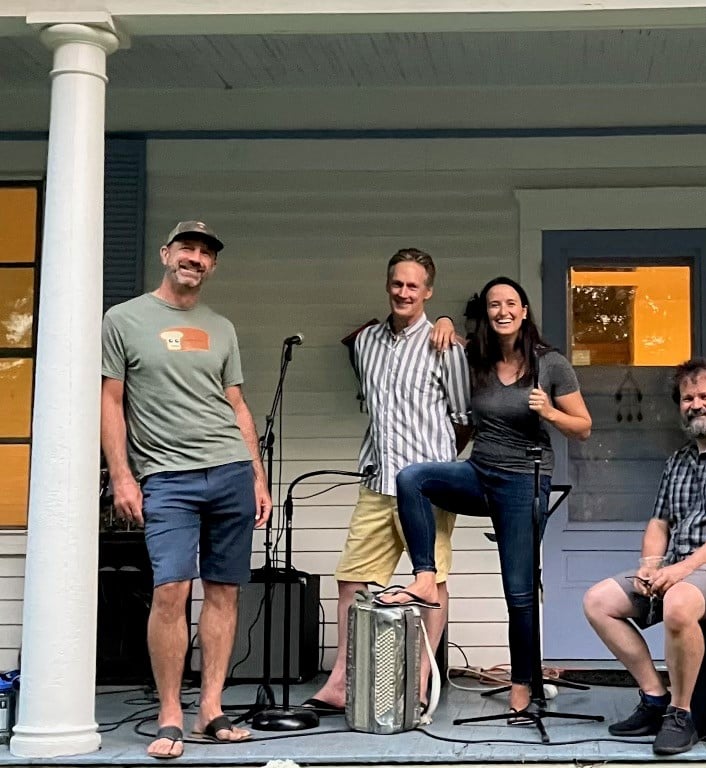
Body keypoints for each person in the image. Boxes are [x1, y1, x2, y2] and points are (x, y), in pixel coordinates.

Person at [378, 276, 593, 718]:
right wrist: (441, 318)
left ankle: (523, 682)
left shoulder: (550, 364)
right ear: (487, 313)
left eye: (511, 303)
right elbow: (445, 336)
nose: (503, 311)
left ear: (524, 311)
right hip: (480, 473)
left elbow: (584, 427)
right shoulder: (476, 356)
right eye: (494, 305)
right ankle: (424, 577)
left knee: (518, 592)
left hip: (524, 481)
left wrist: (550, 412)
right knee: (412, 478)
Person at [101, 221, 273, 759]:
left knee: (224, 590)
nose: (194, 258)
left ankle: (211, 709)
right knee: (170, 589)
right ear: (166, 254)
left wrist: (257, 475)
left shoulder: (221, 327)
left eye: (204, 253)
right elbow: (111, 401)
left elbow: (236, 405)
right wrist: (122, 476)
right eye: (186, 248)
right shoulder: (124, 319)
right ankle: (170, 713)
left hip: (229, 470)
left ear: (212, 265)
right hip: (166, 476)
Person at [303, 248, 470, 716]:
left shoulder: (446, 347)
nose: (404, 292)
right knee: (352, 579)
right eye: (397, 283)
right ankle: (341, 681)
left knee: (431, 581)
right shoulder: (365, 344)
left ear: (428, 292)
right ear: (387, 285)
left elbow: (463, 417)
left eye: (413, 285)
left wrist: (438, 468)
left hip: (428, 489)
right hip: (377, 482)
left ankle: (420, 681)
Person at [582, 357, 706, 755]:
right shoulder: (678, 461)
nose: (696, 404)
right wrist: (649, 567)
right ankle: (654, 697)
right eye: (688, 398)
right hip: (682, 569)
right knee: (598, 601)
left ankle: (681, 714)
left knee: (679, 600)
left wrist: (684, 568)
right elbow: (659, 523)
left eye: (705, 396)